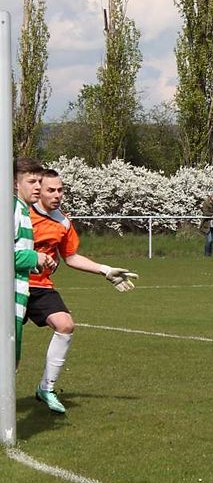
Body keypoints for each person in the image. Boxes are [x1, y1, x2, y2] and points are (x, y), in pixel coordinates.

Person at [27, 169, 139, 413]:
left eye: (60, 190)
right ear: (37, 190)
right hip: (12, 285)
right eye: (50, 190)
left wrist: (105, 270)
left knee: (65, 325)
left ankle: (46, 388)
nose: (57, 195)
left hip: (40, 287)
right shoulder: (20, 213)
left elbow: (71, 257)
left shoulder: (63, 221)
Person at [13, 158, 56, 371]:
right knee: (8, 361)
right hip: (7, 299)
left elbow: (17, 252)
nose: (38, 186)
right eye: (31, 182)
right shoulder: (12, 208)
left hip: (17, 296)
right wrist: (34, 258)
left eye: (39, 181)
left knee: (11, 361)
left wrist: (39, 261)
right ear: (15, 183)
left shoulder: (23, 210)